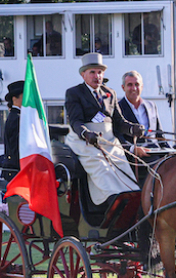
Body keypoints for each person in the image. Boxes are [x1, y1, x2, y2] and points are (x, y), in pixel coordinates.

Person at [64, 52, 145, 205]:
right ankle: (112, 201)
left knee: (123, 167)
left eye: (100, 72)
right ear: (83, 75)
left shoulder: (110, 93)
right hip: (84, 141)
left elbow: (119, 122)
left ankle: (130, 200)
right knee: (102, 168)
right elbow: (75, 121)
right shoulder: (74, 93)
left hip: (108, 140)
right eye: (92, 72)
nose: (97, 76)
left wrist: (133, 129)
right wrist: (86, 134)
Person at [118, 70, 164, 158]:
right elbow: (118, 137)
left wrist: (171, 152)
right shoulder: (117, 108)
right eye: (130, 85)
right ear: (123, 87)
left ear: (142, 86)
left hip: (156, 153)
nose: (134, 88)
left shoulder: (151, 105)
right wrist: (133, 149)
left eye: (137, 84)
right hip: (134, 158)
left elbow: (159, 134)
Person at [2, 81, 23, 181]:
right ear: (15, 99)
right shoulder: (16, 118)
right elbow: (15, 145)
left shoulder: (17, 116)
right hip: (16, 169)